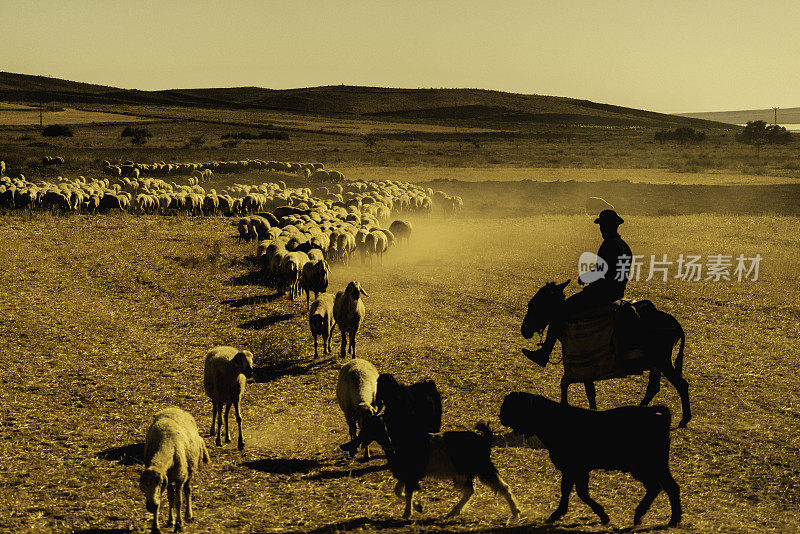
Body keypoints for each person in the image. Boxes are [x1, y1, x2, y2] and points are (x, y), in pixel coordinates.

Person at [523, 209, 633, 367]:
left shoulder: (608, 244)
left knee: (559, 312)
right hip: (617, 292)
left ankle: (545, 353)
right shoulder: (625, 246)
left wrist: (585, 277)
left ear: (607, 227)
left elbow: (602, 271)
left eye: (603, 226)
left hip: (600, 294)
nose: (601, 229)